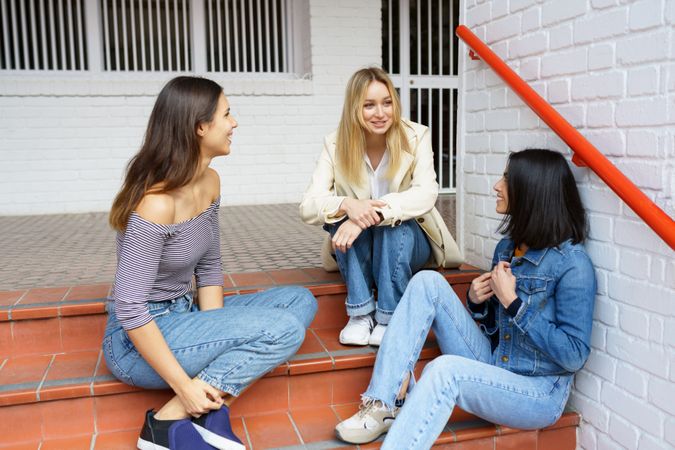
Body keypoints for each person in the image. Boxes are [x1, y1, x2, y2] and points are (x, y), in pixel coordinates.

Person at [103, 76, 317, 450]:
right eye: (227, 114)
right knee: (283, 329)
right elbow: (130, 306)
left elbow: (210, 265)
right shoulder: (157, 203)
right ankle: (164, 425)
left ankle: (192, 416)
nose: (234, 123)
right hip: (136, 340)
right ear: (200, 127)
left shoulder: (210, 182)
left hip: (184, 315)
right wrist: (184, 387)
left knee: (301, 301)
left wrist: (213, 328)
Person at [334, 149, 596, 448]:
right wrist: (477, 302)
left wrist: (514, 304)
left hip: (537, 392)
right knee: (426, 282)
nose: (497, 185)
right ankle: (383, 404)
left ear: (533, 192)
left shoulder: (573, 264)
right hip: (496, 366)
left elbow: (574, 356)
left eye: (508, 179)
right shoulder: (508, 248)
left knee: (443, 370)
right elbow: (499, 334)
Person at [299, 67, 461, 347]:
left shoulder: (416, 136)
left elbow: (426, 193)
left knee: (391, 228)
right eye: (369, 105)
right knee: (338, 218)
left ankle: (389, 316)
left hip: (409, 242)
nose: (380, 113)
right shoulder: (336, 143)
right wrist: (348, 205)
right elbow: (309, 205)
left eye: (387, 103)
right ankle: (361, 314)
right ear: (354, 108)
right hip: (361, 245)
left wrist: (372, 213)